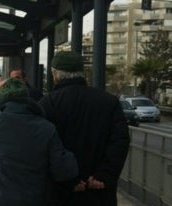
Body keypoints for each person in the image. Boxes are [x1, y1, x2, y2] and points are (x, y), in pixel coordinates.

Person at [0, 78, 79, 206]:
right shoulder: (46, 128)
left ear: (1, 98)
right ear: (27, 98)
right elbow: (63, 170)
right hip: (29, 199)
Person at [38, 51, 130, 206]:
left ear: (55, 74)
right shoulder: (109, 101)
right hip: (99, 192)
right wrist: (104, 175)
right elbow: (120, 141)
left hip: (61, 192)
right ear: (81, 73)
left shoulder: (47, 104)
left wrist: (68, 179)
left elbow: (44, 146)